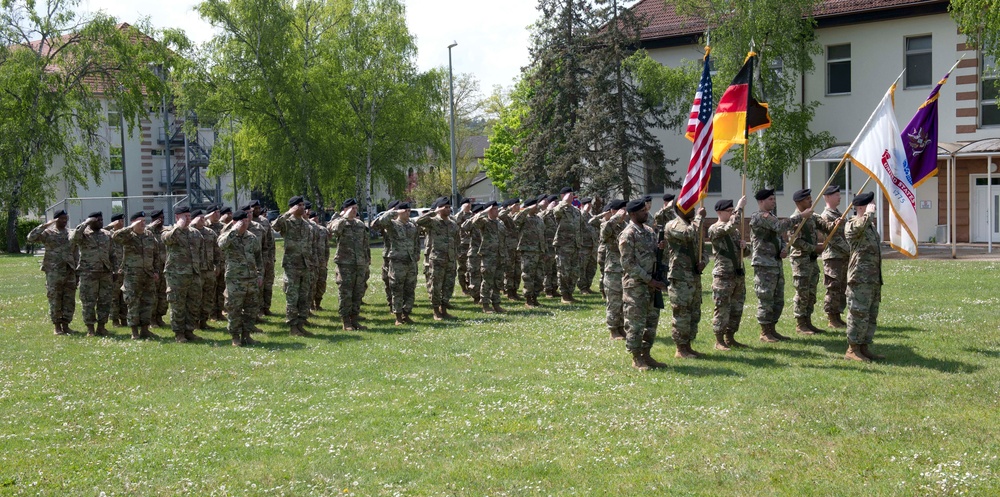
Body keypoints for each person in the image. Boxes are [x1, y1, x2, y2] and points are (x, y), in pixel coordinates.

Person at [750, 189, 808, 343]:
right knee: (766, 298)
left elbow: (778, 236)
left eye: (774, 199)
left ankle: (772, 329)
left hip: (775, 263)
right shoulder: (760, 217)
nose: (773, 201)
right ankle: (764, 332)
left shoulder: (772, 217)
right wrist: (800, 217)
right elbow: (779, 227)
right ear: (761, 201)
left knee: (778, 299)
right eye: (770, 199)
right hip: (764, 264)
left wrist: (784, 248)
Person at [618, 199, 668, 370]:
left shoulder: (649, 231)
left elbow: (654, 256)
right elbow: (628, 264)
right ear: (632, 214)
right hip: (636, 287)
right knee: (636, 324)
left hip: (652, 286)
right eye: (642, 212)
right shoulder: (628, 234)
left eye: (645, 210)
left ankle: (646, 355)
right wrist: (649, 279)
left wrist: (660, 248)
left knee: (651, 323)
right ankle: (636, 357)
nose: (646, 213)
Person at [789, 188, 836, 335]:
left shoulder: (813, 217)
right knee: (802, 293)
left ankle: (808, 321)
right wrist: (813, 248)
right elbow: (794, 240)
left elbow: (826, 227)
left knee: (811, 293)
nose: (811, 200)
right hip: (800, 261)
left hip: (812, 261)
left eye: (810, 197)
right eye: (807, 199)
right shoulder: (795, 218)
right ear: (798, 202)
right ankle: (800, 323)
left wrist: (835, 224)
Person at [843, 192, 884, 362]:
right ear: (861, 207)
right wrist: (868, 214)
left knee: (870, 314)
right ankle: (852, 349)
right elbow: (857, 228)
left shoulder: (870, 226)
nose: (873, 206)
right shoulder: (852, 224)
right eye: (870, 204)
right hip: (859, 279)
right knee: (858, 313)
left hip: (872, 278)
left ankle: (864, 347)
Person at [664, 202, 708, 358]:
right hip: (680, 277)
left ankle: (688, 345)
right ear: (680, 210)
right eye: (690, 207)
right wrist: (699, 218)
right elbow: (688, 234)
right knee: (682, 313)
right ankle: (680, 348)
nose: (694, 209)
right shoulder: (673, 225)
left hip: (694, 276)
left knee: (694, 313)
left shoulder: (693, 225)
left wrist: (703, 262)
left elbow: (702, 248)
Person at [112, 211, 161, 340]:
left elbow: (155, 254)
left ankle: (145, 330)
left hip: (148, 275)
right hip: (132, 275)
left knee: (148, 302)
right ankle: (134, 332)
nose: (143, 224)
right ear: (133, 223)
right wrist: (130, 227)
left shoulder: (149, 235)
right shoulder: (128, 236)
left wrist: (156, 271)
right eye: (140, 221)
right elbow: (115, 237)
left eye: (144, 221)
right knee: (133, 303)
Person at [27, 210, 78, 335]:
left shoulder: (70, 233)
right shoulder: (48, 233)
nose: (64, 221)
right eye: (61, 218)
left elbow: (75, 252)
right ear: (55, 219)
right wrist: (45, 225)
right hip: (54, 271)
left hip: (69, 270)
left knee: (69, 299)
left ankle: (66, 325)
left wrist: (77, 268)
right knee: (55, 298)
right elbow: (30, 238)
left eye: (66, 218)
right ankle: (57, 327)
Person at [708, 197, 748, 350]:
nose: (732, 213)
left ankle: (730, 337)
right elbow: (729, 227)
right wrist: (740, 207)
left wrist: (745, 247)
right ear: (719, 212)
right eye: (729, 211)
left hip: (737, 273)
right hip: (723, 275)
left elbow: (742, 252)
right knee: (722, 308)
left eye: (733, 210)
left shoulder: (735, 231)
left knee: (736, 308)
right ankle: (719, 340)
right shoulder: (715, 228)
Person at [218, 210, 263, 347]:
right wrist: (234, 230)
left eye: (247, 221)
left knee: (251, 309)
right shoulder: (228, 236)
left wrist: (260, 274)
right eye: (242, 221)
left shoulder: (252, 237)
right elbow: (221, 245)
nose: (245, 223)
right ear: (234, 222)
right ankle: (235, 337)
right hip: (235, 280)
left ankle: (247, 335)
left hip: (251, 279)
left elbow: (258, 257)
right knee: (234, 309)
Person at [271, 196, 314, 336]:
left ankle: (301, 324)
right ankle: (292, 327)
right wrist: (288, 213)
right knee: (292, 297)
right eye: (299, 205)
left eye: (303, 205)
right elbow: (275, 226)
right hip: (292, 265)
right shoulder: (287, 222)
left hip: (305, 265)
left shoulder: (307, 224)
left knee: (304, 297)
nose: (303, 207)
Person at [374, 201, 420, 324]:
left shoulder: (412, 226)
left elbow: (416, 242)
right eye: (405, 211)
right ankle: (398, 317)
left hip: (410, 262)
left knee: (410, 289)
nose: (408, 213)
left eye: (409, 211)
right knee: (397, 289)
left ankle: (406, 314)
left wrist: (417, 254)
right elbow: (380, 222)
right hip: (397, 262)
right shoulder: (393, 225)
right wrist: (394, 212)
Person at [163, 206, 204, 343]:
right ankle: (179, 333)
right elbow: (166, 240)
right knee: (178, 305)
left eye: (188, 216)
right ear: (177, 217)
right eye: (184, 216)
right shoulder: (169, 231)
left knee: (193, 304)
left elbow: (201, 253)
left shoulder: (195, 233)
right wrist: (178, 227)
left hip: (193, 274)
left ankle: (189, 330)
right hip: (176, 276)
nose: (187, 219)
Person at [70, 211, 115, 336]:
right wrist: (86, 223)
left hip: (105, 273)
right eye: (97, 220)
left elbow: (112, 254)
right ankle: (90, 328)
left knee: (104, 301)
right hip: (88, 273)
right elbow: (73, 238)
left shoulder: (107, 235)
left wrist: (115, 270)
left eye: (101, 220)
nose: (100, 222)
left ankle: (101, 327)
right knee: (88, 302)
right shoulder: (84, 235)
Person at [329, 198, 369, 331]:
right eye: (352, 208)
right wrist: (343, 217)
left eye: (356, 208)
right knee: (345, 293)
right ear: (345, 209)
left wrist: (366, 260)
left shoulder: (360, 224)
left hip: (359, 264)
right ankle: (346, 321)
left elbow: (364, 244)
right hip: (345, 265)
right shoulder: (339, 222)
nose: (355, 211)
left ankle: (354, 319)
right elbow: (334, 230)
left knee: (358, 293)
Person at [416, 197, 458, 320]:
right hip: (436, 259)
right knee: (436, 286)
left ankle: (443, 309)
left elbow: (457, 240)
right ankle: (436, 311)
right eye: (445, 207)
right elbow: (419, 221)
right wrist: (434, 211)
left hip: (450, 259)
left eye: (449, 207)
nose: (448, 209)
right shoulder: (433, 222)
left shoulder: (453, 224)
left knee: (448, 286)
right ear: (439, 208)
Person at [820, 185, 850, 329]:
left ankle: (838, 314)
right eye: (836, 195)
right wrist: (850, 251)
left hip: (842, 256)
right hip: (833, 257)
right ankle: (831, 317)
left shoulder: (839, 214)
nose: (839, 197)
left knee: (842, 287)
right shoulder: (826, 216)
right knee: (833, 286)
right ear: (827, 197)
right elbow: (833, 239)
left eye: (839, 194)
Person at [600, 199, 628, 339]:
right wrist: (615, 217)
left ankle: (621, 327)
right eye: (621, 210)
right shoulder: (607, 224)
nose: (624, 213)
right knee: (614, 301)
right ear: (613, 211)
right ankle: (613, 329)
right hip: (613, 270)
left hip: (625, 269)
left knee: (624, 301)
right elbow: (605, 233)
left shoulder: (626, 225)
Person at [473, 201, 507, 313]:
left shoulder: (500, 223)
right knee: (487, 281)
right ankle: (485, 304)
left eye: (497, 209)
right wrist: (484, 212)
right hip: (488, 256)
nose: (497, 211)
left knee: (498, 281)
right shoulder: (484, 222)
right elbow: (474, 222)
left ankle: (496, 304)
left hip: (500, 255)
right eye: (494, 209)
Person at [513, 197, 546, 308]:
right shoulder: (524, 217)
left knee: (539, 277)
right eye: (535, 205)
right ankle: (528, 300)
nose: (537, 207)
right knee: (528, 276)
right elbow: (515, 221)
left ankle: (535, 298)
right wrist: (526, 209)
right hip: (528, 251)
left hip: (539, 251)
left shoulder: (539, 218)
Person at [552, 187, 582, 303]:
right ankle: (564, 295)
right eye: (567, 195)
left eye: (571, 194)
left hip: (575, 245)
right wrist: (564, 201)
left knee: (574, 272)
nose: (570, 196)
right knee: (564, 271)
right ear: (562, 196)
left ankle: (570, 293)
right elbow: (555, 213)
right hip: (563, 245)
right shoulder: (559, 208)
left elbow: (579, 228)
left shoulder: (576, 211)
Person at [193, 209, 221, 330]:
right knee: (195, 297)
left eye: (203, 218)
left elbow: (217, 251)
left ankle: (203, 321)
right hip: (196, 271)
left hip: (209, 270)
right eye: (199, 218)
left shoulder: (210, 233)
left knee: (208, 297)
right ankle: (194, 322)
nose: (202, 220)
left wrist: (218, 265)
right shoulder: (190, 233)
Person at [250, 200, 277, 317]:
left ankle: (266, 307)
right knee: (258, 286)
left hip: (266, 259)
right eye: (254, 208)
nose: (257, 210)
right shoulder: (247, 222)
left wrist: (271, 258)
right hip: (253, 259)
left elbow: (270, 242)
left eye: (258, 208)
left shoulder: (264, 222)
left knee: (268, 284)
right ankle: (259, 309)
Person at [147, 210, 168, 328]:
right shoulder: (148, 231)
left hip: (164, 267)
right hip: (153, 268)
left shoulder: (165, 231)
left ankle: (160, 317)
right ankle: (152, 318)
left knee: (163, 294)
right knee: (152, 294)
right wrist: (152, 226)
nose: (161, 220)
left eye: (163, 218)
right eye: (159, 218)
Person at [106, 213, 127, 327]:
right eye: (119, 222)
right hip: (114, 269)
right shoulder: (108, 234)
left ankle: (124, 318)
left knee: (124, 296)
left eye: (123, 222)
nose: (122, 224)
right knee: (114, 296)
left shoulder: (124, 234)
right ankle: (114, 319)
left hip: (124, 269)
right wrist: (110, 226)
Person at [499, 199, 523, 301]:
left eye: (518, 205)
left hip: (517, 246)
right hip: (508, 247)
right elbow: (500, 215)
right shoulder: (506, 217)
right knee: (509, 271)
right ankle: (508, 292)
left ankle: (515, 291)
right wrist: (508, 209)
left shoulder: (519, 216)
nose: (518, 207)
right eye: (516, 205)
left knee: (517, 271)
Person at [310, 210, 332, 311]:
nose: (315, 219)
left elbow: (327, 247)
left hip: (322, 261)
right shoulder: (308, 228)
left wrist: (326, 259)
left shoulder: (323, 230)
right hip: (311, 262)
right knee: (311, 284)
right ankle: (310, 305)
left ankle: (318, 303)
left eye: (316, 217)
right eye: (312, 217)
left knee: (321, 283)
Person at [208, 206, 227, 321]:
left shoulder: (223, 227)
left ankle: (219, 312)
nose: (217, 214)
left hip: (223, 262)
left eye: (218, 212)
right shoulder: (205, 226)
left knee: (221, 289)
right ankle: (212, 314)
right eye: (214, 212)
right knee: (211, 290)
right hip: (210, 263)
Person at [577, 198, 598, 294]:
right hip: (583, 246)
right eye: (587, 205)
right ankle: (583, 288)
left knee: (592, 268)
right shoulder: (579, 214)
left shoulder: (591, 216)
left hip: (593, 246)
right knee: (582, 268)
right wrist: (584, 211)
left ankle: (588, 286)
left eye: (590, 205)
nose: (589, 207)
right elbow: (579, 223)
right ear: (582, 205)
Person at [455, 198, 474, 295]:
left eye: (470, 204)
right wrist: (462, 211)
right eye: (467, 204)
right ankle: (463, 287)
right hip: (462, 244)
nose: (469, 205)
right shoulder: (459, 215)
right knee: (462, 267)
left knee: (471, 266)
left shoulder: (472, 214)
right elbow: (456, 224)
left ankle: (471, 285)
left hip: (472, 243)